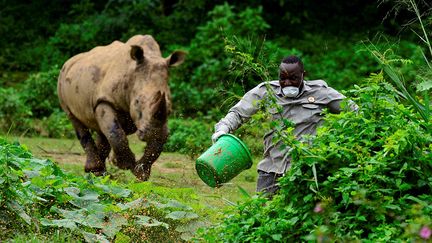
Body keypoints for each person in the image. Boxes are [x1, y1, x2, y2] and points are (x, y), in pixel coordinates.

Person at [212, 55, 357, 197]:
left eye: (293, 78)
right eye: (283, 78)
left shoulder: (321, 92)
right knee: (262, 214)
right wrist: (222, 130)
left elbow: (354, 112)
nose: (287, 83)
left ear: (303, 75)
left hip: (307, 171)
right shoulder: (266, 91)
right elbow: (238, 113)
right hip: (271, 169)